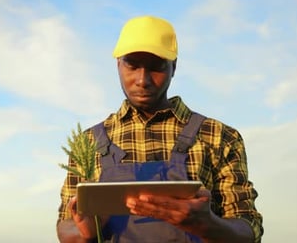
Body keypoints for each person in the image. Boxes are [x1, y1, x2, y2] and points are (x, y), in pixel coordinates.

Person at [56, 15, 263, 242]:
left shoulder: (220, 136)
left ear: (173, 67)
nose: (142, 80)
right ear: (118, 64)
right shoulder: (88, 143)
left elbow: (248, 227)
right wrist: (84, 234)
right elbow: (65, 224)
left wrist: (208, 224)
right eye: (132, 66)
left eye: (156, 67)